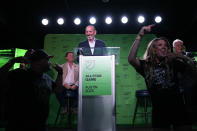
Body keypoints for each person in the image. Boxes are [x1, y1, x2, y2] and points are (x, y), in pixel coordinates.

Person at [128, 24, 197, 130]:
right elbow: (131, 59)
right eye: (160, 45)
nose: (164, 47)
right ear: (154, 50)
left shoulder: (174, 63)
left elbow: (193, 72)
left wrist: (180, 56)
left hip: (178, 109)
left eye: (165, 45)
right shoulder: (146, 65)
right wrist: (139, 36)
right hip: (159, 112)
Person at [5, 49, 63, 131]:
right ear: (39, 62)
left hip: (40, 126)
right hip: (19, 126)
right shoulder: (20, 74)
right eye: (47, 60)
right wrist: (12, 61)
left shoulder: (46, 78)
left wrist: (60, 74)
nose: (49, 63)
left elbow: (57, 89)